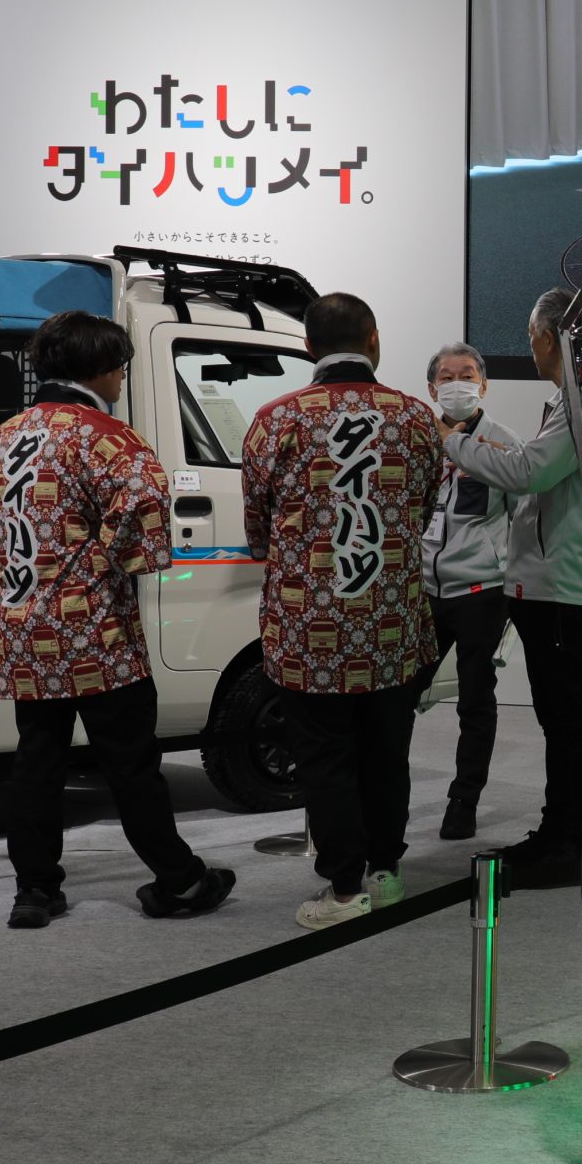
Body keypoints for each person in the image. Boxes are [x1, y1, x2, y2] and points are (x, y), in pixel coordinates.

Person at [0, 310, 235, 930]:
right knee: (131, 762)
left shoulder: (5, 437)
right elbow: (143, 509)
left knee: (37, 760)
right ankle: (180, 879)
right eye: (120, 368)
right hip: (98, 631)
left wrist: (17, 579)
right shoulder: (109, 436)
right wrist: (104, 565)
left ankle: (35, 890)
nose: (121, 379)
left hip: (24, 628)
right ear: (103, 369)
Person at [241, 292, 442, 929]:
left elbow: (258, 528)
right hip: (393, 622)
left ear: (308, 347)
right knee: (388, 751)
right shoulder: (415, 418)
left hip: (310, 627)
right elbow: (422, 507)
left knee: (325, 756)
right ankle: (386, 871)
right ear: (374, 340)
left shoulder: (275, 420)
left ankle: (345, 886)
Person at [436, 288, 582, 886]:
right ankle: (560, 829)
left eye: (531, 337)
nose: (531, 348)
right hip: (549, 582)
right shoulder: (578, 397)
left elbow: (529, 471)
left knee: (566, 721)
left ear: (548, 337)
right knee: (560, 718)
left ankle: (569, 840)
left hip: (558, 584)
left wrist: (452, 441)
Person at [417, 342, 522, 841]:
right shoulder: (418, 440)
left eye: (466, 374)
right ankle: (388, 794)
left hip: (481, 591)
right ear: (431, 388)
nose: (456, 383)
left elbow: (524, 518)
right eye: (446, 376)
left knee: (475, 701)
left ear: (483, 385)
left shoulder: (504, 444)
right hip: (422, 591)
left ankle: (464, 800)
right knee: (399, 696)